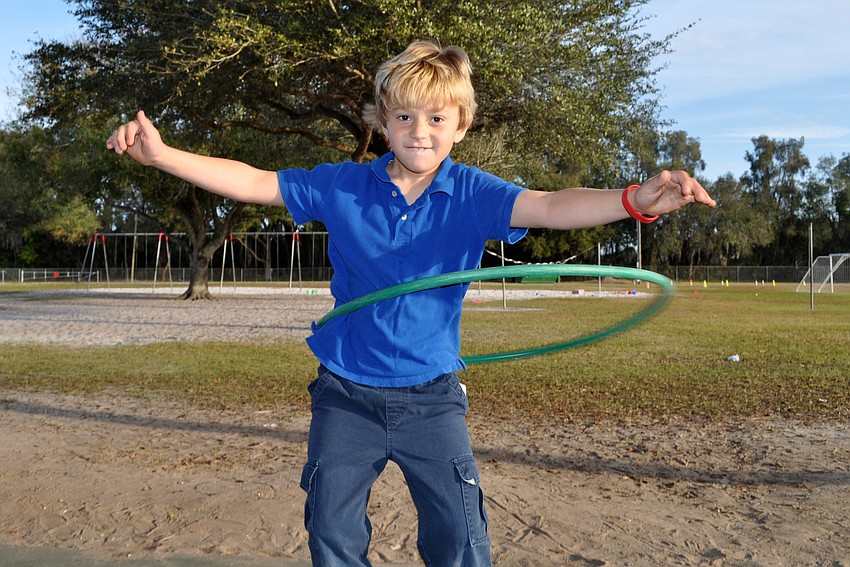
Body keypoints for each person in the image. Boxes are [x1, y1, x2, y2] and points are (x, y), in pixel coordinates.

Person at [107, 39, 715, 567]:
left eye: (435, 118)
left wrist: (636, 199)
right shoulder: (344, 185)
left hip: (432, 396)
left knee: (460, 536)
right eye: (403, 116)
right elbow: (256, 179)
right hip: (345, 393)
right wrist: (163, 155)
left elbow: (553, 205)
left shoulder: (474, 193)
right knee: (331, 531)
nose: (418, 131)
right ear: (382, 121)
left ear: (460, 125)